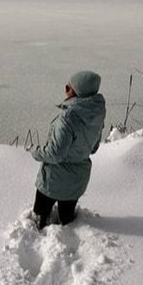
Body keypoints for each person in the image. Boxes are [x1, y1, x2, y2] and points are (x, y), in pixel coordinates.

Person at [27, 70, 106, 229]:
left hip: (53, 180)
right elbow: (94, 148)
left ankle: (36, 238)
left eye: (68, 87)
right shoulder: (97, 114)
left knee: (38, 219)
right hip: (78, 180)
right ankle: (68, 237)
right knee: (67, 221)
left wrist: (34, 150)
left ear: (78, 91)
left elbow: (55, 154)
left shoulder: (68, 118)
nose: (65, 90)